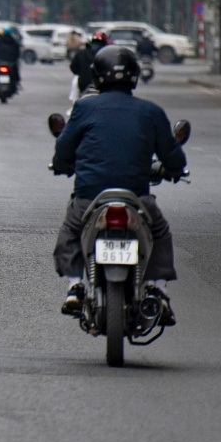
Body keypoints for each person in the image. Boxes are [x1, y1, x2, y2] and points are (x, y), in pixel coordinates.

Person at [51, 45, 186, 315]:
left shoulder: (84, 108)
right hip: (136, 197)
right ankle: (158, 290)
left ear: (97, 76)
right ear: (135, 76)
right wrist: (172, 170)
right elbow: (174, 158)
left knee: (70, 232)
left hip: (89, 195)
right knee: (159, 232)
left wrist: (62, 165)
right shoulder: (151, 111)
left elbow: (64, 149)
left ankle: (75, 285)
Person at [67, 29, 109, 103]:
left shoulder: (81, 52)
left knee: (75, 99)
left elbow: (73, 67)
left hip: (83, 84)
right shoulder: (108, 53)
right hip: (103, 84)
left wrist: (82, 72)